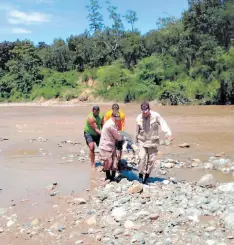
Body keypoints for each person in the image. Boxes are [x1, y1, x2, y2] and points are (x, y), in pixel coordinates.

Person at [135, 101, 173, 184]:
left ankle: (147, 176)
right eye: (143, 112)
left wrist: (169, 134)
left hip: (153, 141)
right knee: (142, 158)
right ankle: (141, 175)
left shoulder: (156, 116)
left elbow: (163, 123)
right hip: (142, 141)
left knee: (151, 160)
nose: (144, 113)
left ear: (149, 109)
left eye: (146, 112)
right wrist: (135, 143)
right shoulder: (138, 118)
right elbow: (137, 131)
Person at [99, 111, 123, 183]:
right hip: (106, 146)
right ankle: (109, 177)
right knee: (108, 162)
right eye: (116, 118)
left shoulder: (110, 122)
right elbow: (117, 136)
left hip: (110, 145)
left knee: (113, 162)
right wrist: (122, 138)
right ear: (112, 117)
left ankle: (111, 178)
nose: (117, 120)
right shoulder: (111, 124)